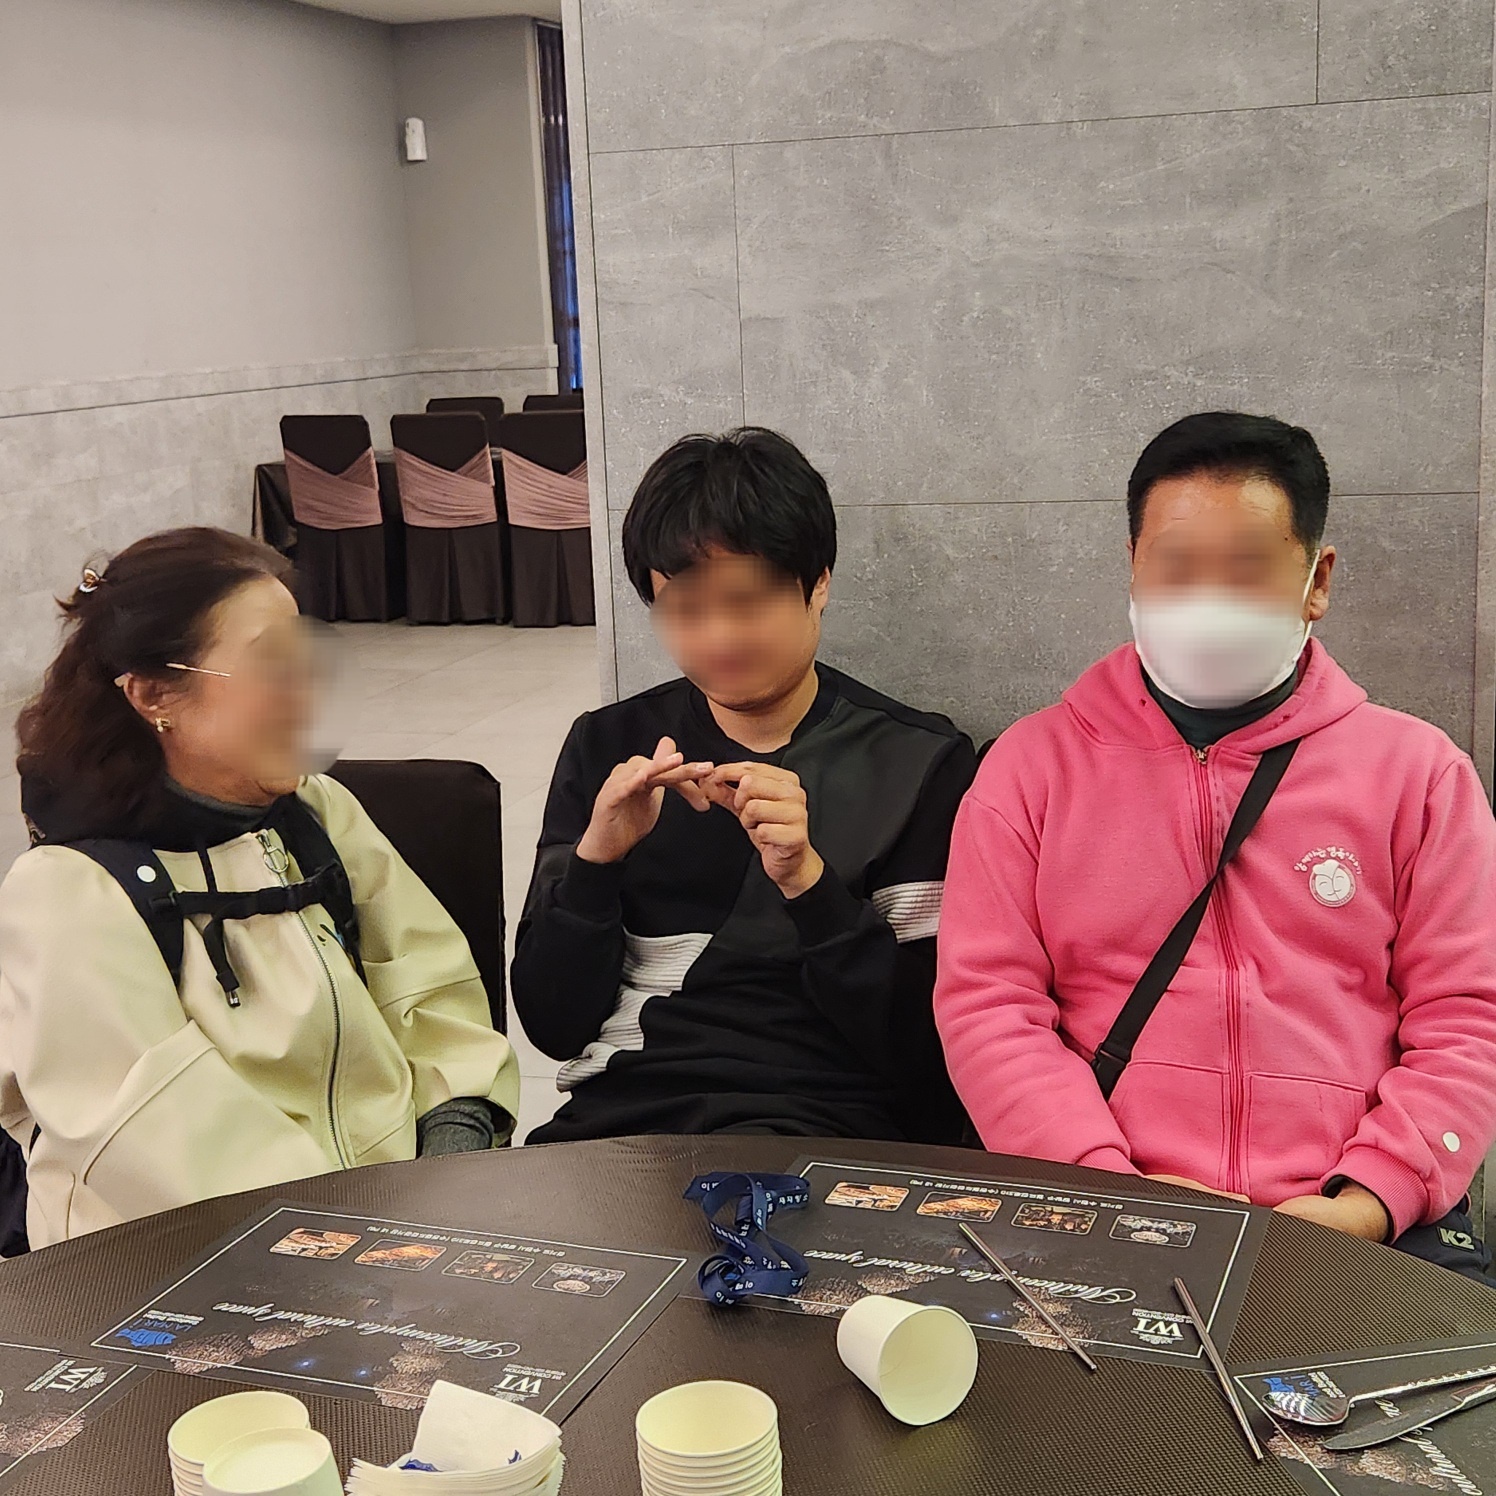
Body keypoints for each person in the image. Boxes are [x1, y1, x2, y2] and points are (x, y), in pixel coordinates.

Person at [935, 411, 1496, 1279]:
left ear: (1317, 579)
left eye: (1247, 568)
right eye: (1177, 566)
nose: (1208, 602)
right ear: (1133, 567)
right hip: (1100, 1209)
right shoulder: (1029, 769)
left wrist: (1370, 1199)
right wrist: (1105, 1188)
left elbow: (1466, 1016)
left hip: (1362, 1223)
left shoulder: (1419, 775)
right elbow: (988, 1006)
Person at [0, 527, 520, 1247]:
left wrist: (452, 1145)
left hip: (403, 1214)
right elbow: (169, 1145)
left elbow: (432, 993)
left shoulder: (316, 814)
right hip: (194, 1260)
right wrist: (375, 1243)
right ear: (153, 694)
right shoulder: (69, 892)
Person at [512, 427, 975, 1144]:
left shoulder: (919, 763)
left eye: (747, 601)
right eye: (685, 610)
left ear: (819, 584)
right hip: (628, 1116)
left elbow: (931, 1052)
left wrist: (809, 883)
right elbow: (553, 1025)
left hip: (832, 1123)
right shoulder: (609, 748)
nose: (719, 637)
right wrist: (595, 865)